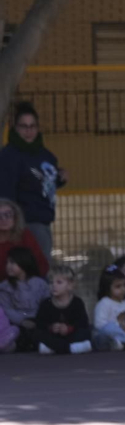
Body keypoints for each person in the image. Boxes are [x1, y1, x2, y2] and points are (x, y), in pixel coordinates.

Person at [0, 102, 66, 257]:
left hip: (44, 220)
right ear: (15, 128)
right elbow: (6, 193)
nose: (28, 131)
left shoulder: (45, 155)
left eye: (32, 126)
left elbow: (44, 181)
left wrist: (60, 178)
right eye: (24, 126)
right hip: (25, 224)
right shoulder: (10, 156)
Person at [0, 247, 48, 352]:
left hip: (37, 321)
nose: (8, 266)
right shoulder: (5, 287)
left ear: (24, 262)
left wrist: (37, 320)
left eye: (12, 263)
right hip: (16, 323)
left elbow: (46, 304)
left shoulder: (40, 284)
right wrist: (22, 321)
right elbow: (7, 310)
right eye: (7, 263)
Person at [34, 270, 92, 355]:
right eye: (51, 282)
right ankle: (72, 348)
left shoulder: (77, 302)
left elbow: (82, 323)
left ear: (70, 285)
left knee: (86, 332)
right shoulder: (46, 303)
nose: (53, 285)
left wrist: (69, 328)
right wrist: (51, 327)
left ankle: (55, 349)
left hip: (71, 335)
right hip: (54, 336)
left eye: (59, 282)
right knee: (38, 334)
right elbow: (40, 324)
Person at [0, 198, 49, 276]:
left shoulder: (24, 235)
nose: (3, 219)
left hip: (23, 283)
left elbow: (41, 265)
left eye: (8, 214)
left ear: (15, 217)